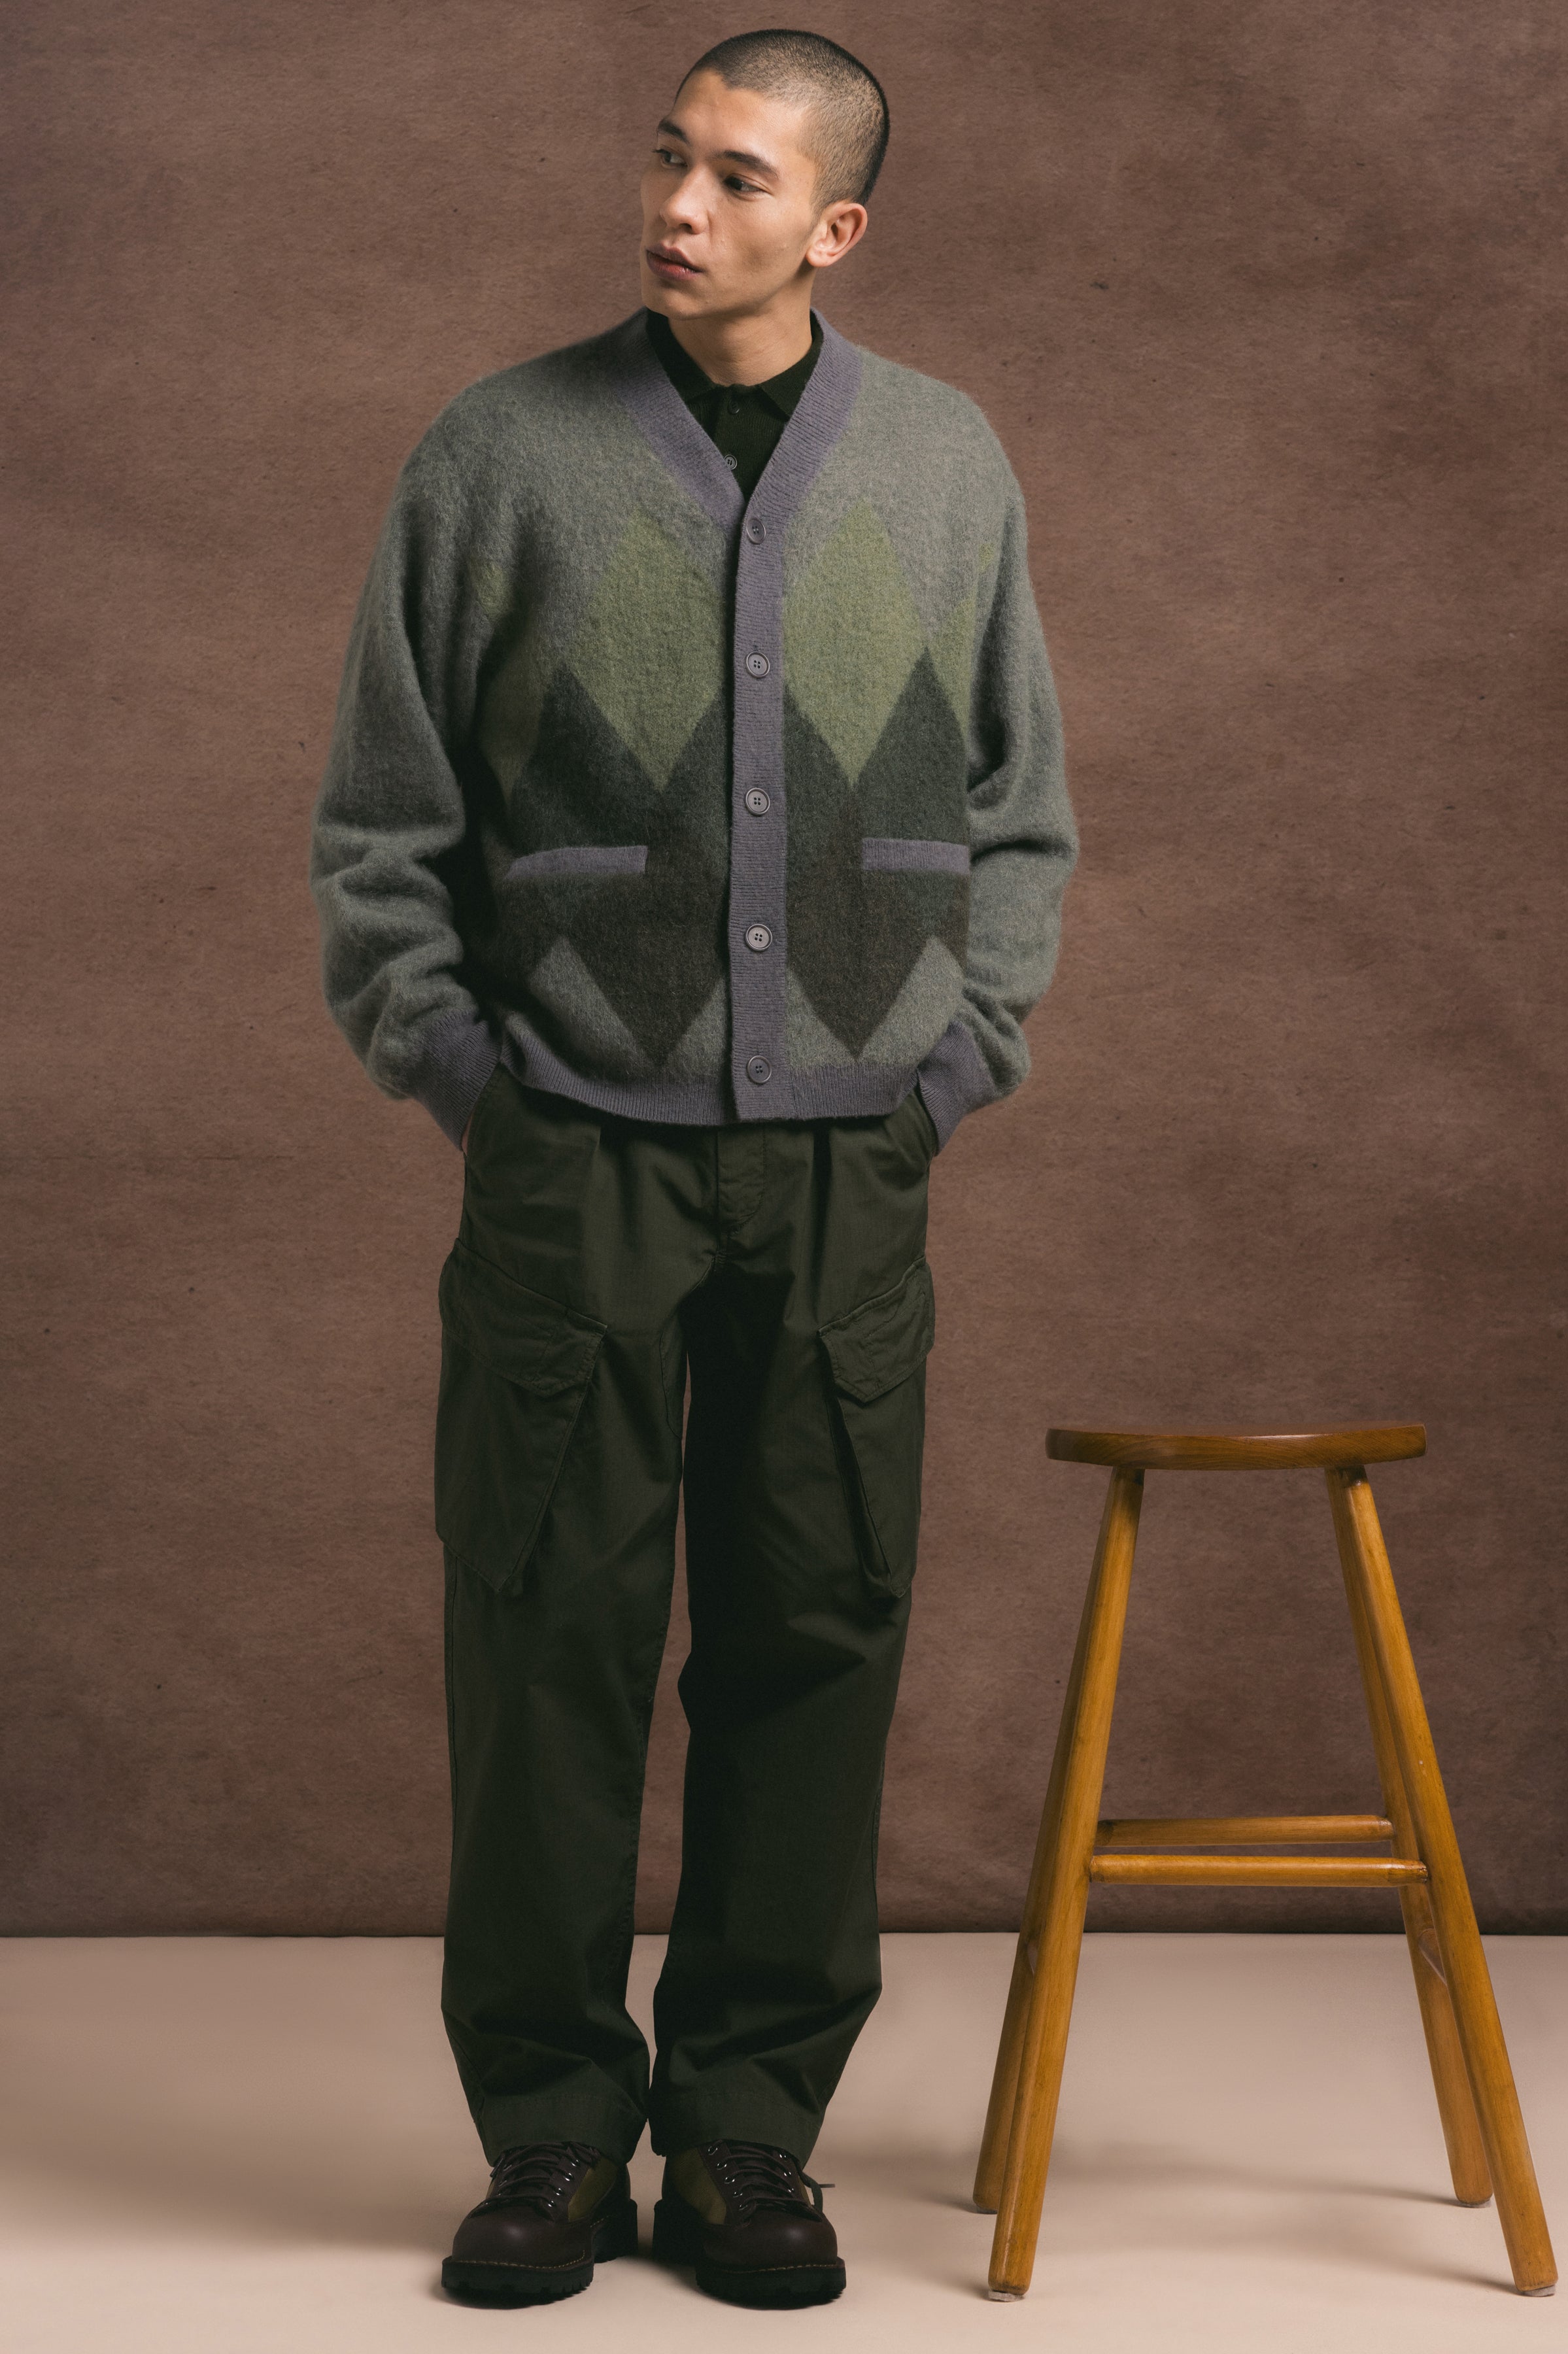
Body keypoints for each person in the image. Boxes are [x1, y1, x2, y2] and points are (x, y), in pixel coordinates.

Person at [309, 26, 1076, 2312]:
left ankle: (750, 2134)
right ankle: (548, 2136)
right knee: (540, 1625)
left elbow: (1022, 808)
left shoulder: (941, 463)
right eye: (667, 157)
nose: (676, 204)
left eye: (736, 178)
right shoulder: (499, 452)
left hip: (851, 1165)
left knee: (811, 1634)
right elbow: (382, 818)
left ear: (833, 228)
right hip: (577, 1161)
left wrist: (953, 1064)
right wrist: (473, 1077)